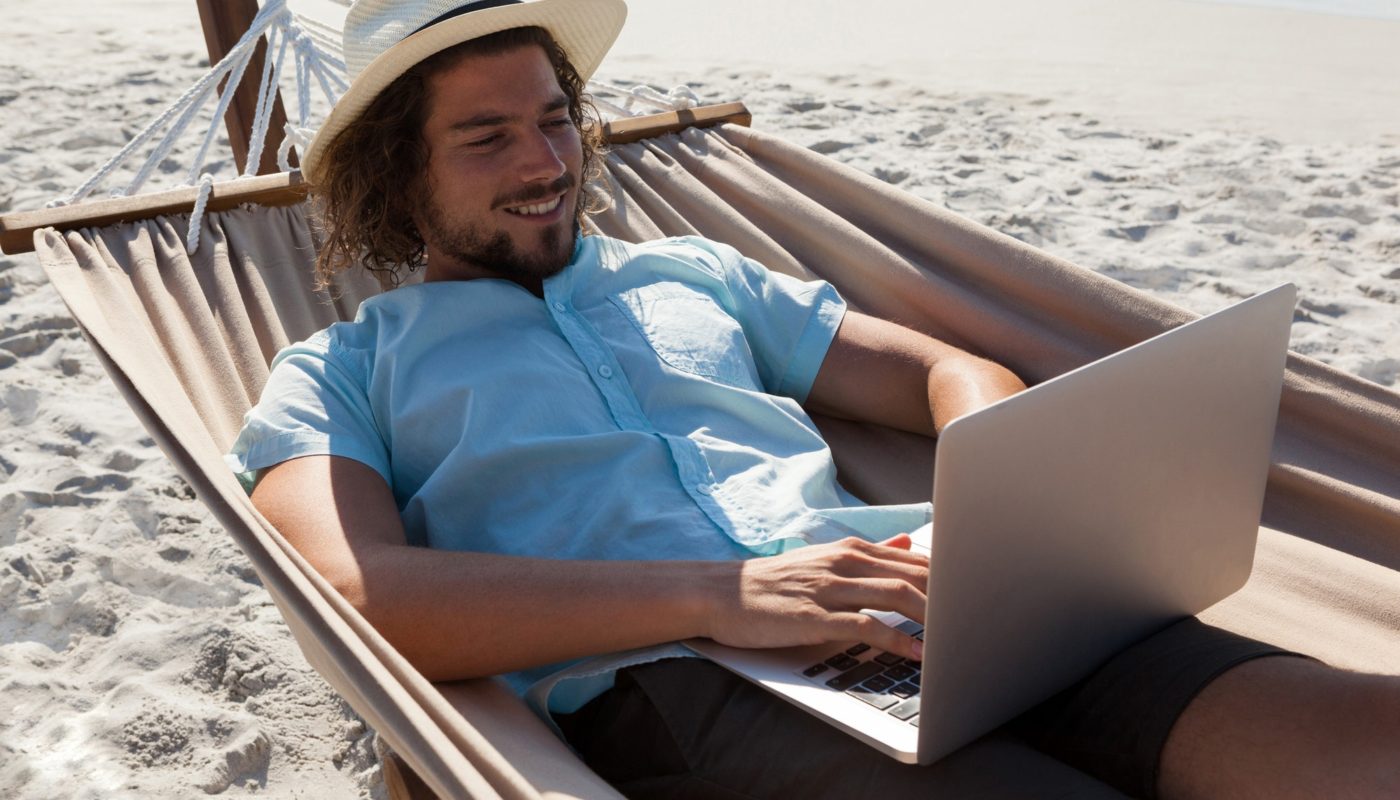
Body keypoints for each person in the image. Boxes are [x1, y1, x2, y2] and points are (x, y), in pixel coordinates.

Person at [229, 1, 1400, 797]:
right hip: (677, 673)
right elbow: (350, 595)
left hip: (919, 600)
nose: (545, 163)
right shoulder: (340, 370)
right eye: (485, 136)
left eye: (550, 119)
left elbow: (936, 368)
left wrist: (996, 466)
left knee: (1345, 731)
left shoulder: (695, 270)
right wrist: (729, 593)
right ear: (398, 169)